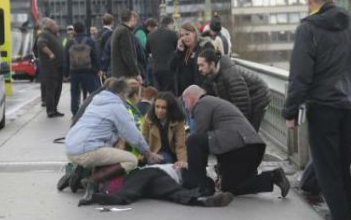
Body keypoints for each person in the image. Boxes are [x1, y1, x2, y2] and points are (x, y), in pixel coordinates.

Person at [282, 0, 351, 220]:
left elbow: (300, 75)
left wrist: (290, 111)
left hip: (324, 106)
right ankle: (344, 214)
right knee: (342, 168)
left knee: (328, 172)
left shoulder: (308, 29)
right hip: (350, 104)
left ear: (309, 0)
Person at [65, 78, 163, 206]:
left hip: (70, 147)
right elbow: (133, 134)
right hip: (86, 150)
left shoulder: (97, 100)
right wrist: (148, 153)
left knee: (108, 152)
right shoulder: (116, 106)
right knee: (131, 160)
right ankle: (92, 181)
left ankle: (82, 179)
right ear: (123, 94)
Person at [181, 85, 290, 198]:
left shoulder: (202, 103)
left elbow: (199, 136)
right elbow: (219, 143)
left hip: (240, 146)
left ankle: (198, 185)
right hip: (250, 148)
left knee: (193, 140)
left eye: (185, 103)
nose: (186, 108)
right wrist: (222, 174)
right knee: (229, 187)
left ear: (189, 98)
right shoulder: (216, 103)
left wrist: (187, 163)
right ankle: (273, 177)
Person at [88, 165, 234, 207]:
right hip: (152, 172)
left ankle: (202, 201)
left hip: (155, 182)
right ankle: (201, 199)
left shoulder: (206, 178)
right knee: (174, 190)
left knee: (173, 192)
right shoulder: (195, 169)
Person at [198, 48, 271, 132]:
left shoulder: (230, 76)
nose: (199, 69)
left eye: (202, 65)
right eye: (198, 65)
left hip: (259, 97)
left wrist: (239, 124)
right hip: (249, 96)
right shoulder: (213, 75)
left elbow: (242, 103)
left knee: (249, 131)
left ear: (212, 64)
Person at [64, 21, 101, 116]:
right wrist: (97, 69)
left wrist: (66, 73)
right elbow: (95, 56)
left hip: (74, 71)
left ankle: (75, 112)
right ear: (84, 29)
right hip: (88, 71)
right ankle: (94, 110)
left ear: (74, 31)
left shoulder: (70, 43)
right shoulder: (90, 41)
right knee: (92, 92)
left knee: (74, 92)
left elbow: (66, 59)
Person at [142, 91, 187, 166]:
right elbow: (144, 140)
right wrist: (149, 154)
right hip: (154, 153)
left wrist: (182, 161)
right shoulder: (148, 119)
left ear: (170, 109)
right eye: (157, 107)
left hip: (173, 153)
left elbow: (180, 144)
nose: (159, 110)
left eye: (163, 108)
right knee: (162, 160)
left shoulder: (178, 121)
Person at [169, 21, 213, 96]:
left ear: (195, 33)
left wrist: (202, 90)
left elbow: (210, 70)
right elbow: (171, 66)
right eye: (182, 35)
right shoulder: (183, 49)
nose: (185, 38)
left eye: (187, 34)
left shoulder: (204, 46)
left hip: (200, 92)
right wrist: (179, 51)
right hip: (183, 93)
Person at [36, 18, 65, 118]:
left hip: (58, 66)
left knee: (58, 88)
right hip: (50, 67)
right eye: (55, 25)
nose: (57, 26)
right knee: (51, 89)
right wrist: (51, 53)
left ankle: (54, 109)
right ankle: (50, 110)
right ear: (50, 26)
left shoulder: (54, 35)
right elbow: (41, 44)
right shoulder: (44, 34)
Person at [146, 16, 178, 92]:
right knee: (169, 93)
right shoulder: (172, 34)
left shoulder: (150, 35)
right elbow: (177, 48)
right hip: (169, 69)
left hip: (156, 69)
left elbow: (148, 50)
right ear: (170, 24)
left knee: (159, 93)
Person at [110, 9, 142, 81]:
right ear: (131, 18)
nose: (136, 23)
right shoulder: (124, 31)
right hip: (125, 74)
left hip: (118, 73)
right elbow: (128, 55)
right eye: (135, 20)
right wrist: (137, 73)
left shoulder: (118, 29)